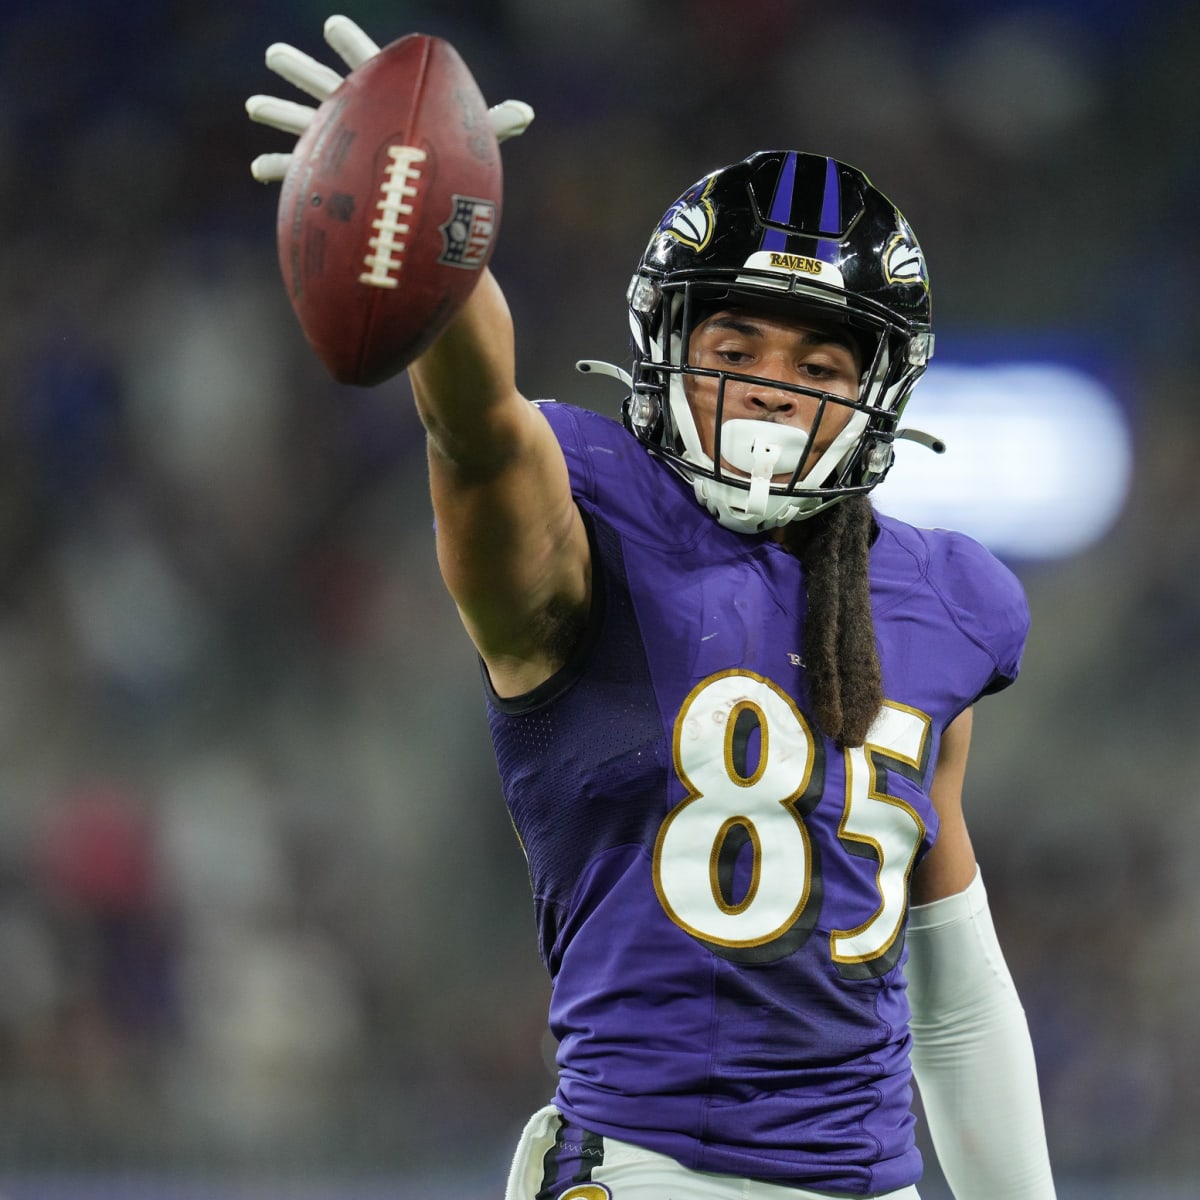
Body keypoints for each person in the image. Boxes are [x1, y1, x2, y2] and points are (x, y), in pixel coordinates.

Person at [247, 16, 1058, 1200]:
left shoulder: (945, 599)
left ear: (880, 397)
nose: (774, 391)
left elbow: (953, 980)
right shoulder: (586, 524)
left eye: (821, 367)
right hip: (644, 1175)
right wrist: (442, 244)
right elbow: (473, 428)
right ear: (666, 342)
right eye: (739, 342)